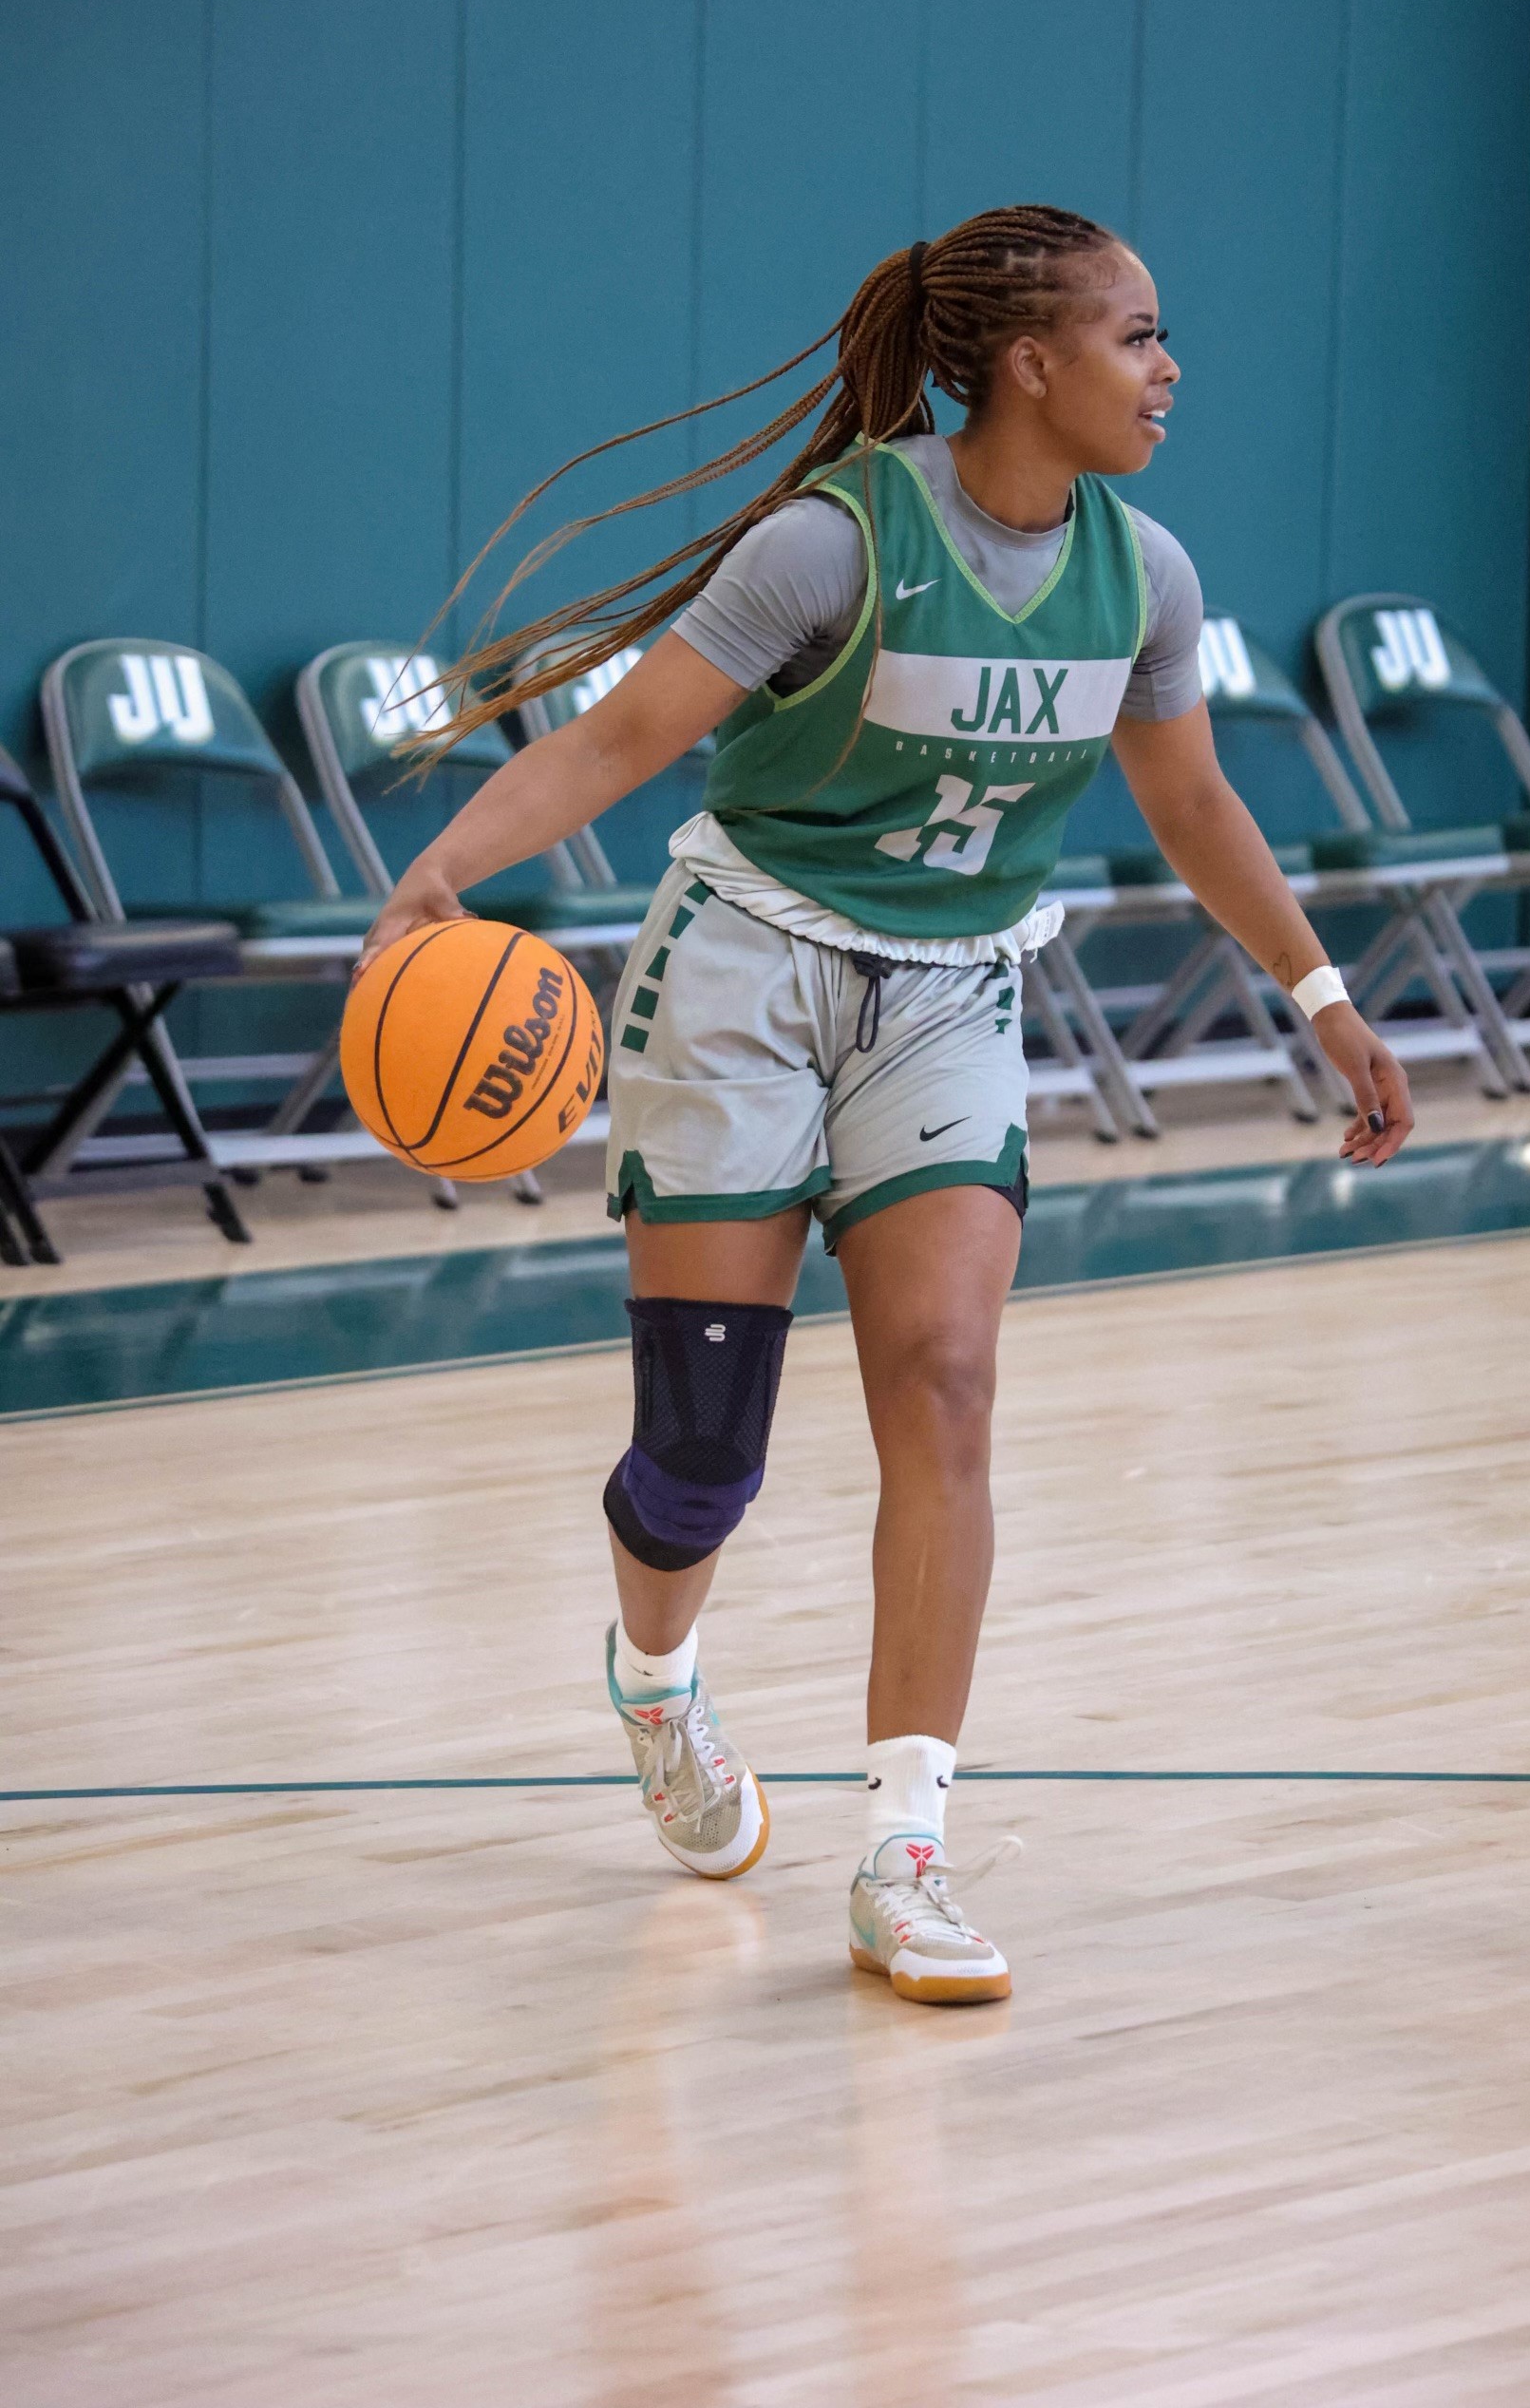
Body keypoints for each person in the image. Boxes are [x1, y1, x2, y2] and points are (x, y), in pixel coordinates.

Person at [358, 204, 1414, 2006]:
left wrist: (1323, 997)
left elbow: (1194, 808)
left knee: (945, 1383)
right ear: (1029, 361)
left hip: (950, 992)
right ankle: (656, 1682)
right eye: (1140, 337)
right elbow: (620, 744)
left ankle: (905, 1854)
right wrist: (436, 879)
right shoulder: (831, 547)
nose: (1171, 371)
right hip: (744, 975)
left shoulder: (1144, 574)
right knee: (702, 1456)